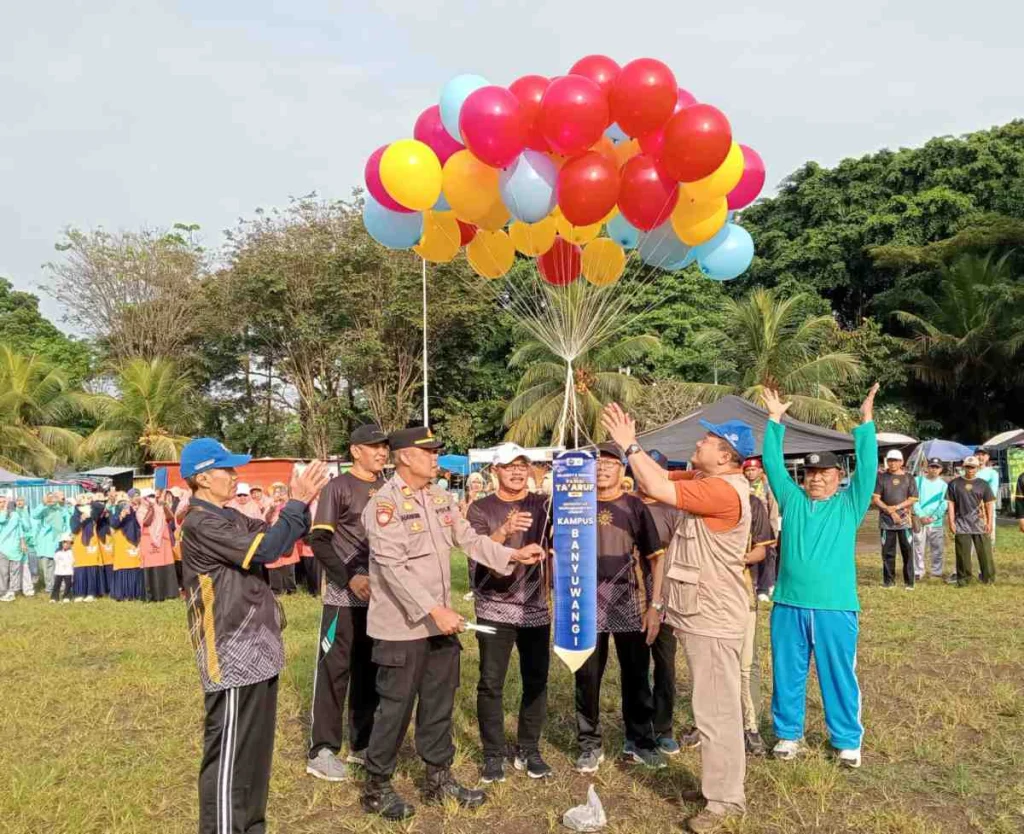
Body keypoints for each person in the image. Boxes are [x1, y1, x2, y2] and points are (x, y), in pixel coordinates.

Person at [359, 426, 544, 821]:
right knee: (395, 708)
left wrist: (512, 555)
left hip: (440, 624)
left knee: (439, 704)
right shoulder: (385, 504)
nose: (435, 457)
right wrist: (432, 609)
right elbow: (391, 567)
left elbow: (470, 541)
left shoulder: (440, 496)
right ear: (405, 456)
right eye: (428, 452)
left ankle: (437, 776)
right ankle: (377, 785)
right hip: (402, 627)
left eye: (436, 451)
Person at [603, 406, 754, 834]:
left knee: (717, 711)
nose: (700, 441)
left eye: (708, 440)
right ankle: (715, 786)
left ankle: (725, 801)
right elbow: (659, 480)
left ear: (725, 456)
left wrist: (628, 443)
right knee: (710, 705)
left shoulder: (723, 492)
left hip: (713, 614)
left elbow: (651, 481)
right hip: (699, 610)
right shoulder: (708, 481)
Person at [179, 437, 329, 834]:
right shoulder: (200, 522)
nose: (234, 476)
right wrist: (295, 501)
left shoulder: (228, 516)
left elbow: (279, 536)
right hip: (229, 650)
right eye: (227, 470)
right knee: (229, 755)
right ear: (203, 478)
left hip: (258, 646)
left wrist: (303, 501)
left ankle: (250, 826)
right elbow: (264, 550)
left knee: (255, 753)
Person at [760, 384, 879, 771]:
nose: (815, 479)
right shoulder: (792, 501)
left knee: (837, 673)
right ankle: (788, 735)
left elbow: (868, 470)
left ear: (836, 477)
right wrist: (775, 420)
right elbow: (773, 465)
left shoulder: (849, 505)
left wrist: (865, 423)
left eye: (823, 473)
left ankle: (846, 740)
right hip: (789, 604)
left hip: (835, 606)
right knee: (787, 672)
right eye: (810, 473)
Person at [571, 442, 666, 775]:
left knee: (637, 676)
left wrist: (655, 606)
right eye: (596, 463)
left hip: (630, 603)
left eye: (609, 463)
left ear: (622, 469)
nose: (601, 468)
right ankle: (589, 744)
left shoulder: (635, 507)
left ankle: (640, 740)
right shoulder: (573, 504)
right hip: (584, 604)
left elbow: (657, 558)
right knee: (587, 677)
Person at [306, 425, 390, 782]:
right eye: (375, 447)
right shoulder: (337, 487)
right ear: (356, 451)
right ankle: (322, 749)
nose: (382, 453)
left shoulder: (389, 487)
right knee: (334, 672)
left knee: (371, 670)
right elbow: (319, 541)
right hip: (344, 597)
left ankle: (362, 742)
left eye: (385, 447)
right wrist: (348, 578)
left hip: (382, 597)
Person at [465, 442, 553, 783]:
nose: (517, 471)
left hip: (535, 607)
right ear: (494, 471)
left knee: (537, 679)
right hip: (492, 607)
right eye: (509, 466)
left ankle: (529, 748)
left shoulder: (543, 504)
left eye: (522, 465)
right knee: (490, 682)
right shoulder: (480, 509)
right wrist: (505, 531)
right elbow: (476, 554)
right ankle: (493, 753)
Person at [633, 449, 682, 757]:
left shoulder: (674, 510)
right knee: (636, 666)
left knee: (665, 665)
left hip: (665, 598)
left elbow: (675, 559)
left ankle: (663, 727)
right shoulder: (627, 506)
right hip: (631, 597)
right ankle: (638, 727)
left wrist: (661, 600)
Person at [946, 455, 996, 585]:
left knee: (985, 552)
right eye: (968, 467)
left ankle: (988, 578)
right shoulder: (954, 483)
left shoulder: (983, 484)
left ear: (978, 468)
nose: (970, 470)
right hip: (961, 522)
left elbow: (989, 504)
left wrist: (990, 522)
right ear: (963, 467)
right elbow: (951, 503)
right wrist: (951, 521)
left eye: (973, 467)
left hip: (980, 522)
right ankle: (963, 579)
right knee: (963, 554)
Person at [872, 449, 918, 589]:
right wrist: (890, 511)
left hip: (905, 521)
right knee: (888, 553)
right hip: (886, 522)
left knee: (907, 552)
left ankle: (909, 582)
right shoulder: (881, 477)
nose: (892, 463)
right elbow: (875, 499)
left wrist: (896, 508)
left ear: (901, 462)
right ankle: (889, 581)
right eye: (890, 460)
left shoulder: (909, 478)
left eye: (895, 460)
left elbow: (913, 498)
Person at [741, 458, 779, 602]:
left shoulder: (766, 486)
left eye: (753, 470)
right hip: (749, 527)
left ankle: (768, 584)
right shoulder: (743, 486)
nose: (750, 473)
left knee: (768, 556)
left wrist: (774, 531)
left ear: (760, 470)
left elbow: (773, 509)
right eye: (748, 470)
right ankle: (755, 584)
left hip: (766, 526)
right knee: (752, 556)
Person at [140, 487, 179, 602]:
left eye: (153, 496)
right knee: (152, 566)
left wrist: (165, 506)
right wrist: (152, 508)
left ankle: (169, 593)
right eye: (149, 497)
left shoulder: (160, 508)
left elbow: (171, 518)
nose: (152, 499)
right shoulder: (141, 510)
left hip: (163, 541)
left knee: (165, 565)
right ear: (143, 499)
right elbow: (146, 522)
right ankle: (153, 595)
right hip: (149, 541)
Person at [912, 458, 948, 580]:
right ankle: (918, 571)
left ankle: (936, 572)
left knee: (937, 548)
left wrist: (934, 517)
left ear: (941, 470)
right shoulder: (918, 481)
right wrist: (921, 515)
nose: (933, 469)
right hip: (919, 521)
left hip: (936, 522)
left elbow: (944, 503)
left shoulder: (944, 485)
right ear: (927, 468)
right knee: (918, 547)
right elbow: (913, 500)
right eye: (931, 466)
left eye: (936, 467)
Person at [265, 483, 300, 595]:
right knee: (273, 566)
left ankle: (291, 589)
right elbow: (266, 519)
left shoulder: (290, 506)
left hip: (287, 538)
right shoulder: (270, 506)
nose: (279, 495)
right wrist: (272, 507)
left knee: (288, 566)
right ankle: (276, 590)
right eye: (276, 492)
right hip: (273, 538)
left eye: (281, 492)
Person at [32, 491, 70, 595]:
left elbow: (68, 524)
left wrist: (67, 538)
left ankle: (62, 587)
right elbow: (35, 515)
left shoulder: (63, 509)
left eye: (61, 496)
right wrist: (43, 504)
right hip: (46, 542)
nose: (57, 498)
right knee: (48, 566)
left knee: (62, 564)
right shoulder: (45, 508)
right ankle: (50, 587)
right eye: (56, 496)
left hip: (59, 541)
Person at [110, 491, 145, 601]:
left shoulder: (135, 511)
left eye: (125, 500)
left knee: (135, 565)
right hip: (121, 539)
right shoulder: (115, 512)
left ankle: (135, 593)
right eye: (120, 501)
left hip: (135, 540)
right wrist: (121, 516)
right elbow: (114, 524)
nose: (123, 504)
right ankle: (123, 593)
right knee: (123, 566)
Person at [71, 497, 108, 601]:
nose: (84, 500)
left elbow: (101, 507)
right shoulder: (74, 517)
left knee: (91, 569)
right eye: (82, 498)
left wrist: (91, 500)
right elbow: (74, 529)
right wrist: (81, 520)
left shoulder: (93, 516)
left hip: (92, 544)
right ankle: (79, 593)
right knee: (80, 570)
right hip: (80, 546)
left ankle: (91, 593)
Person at [0, 494, 30, 601]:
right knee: (3, 572)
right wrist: (4, 510)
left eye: (4, 502)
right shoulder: (2, 515)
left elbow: (20, 529)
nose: (3, 504)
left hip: (15, 548)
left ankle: (12, 592)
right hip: (2, 548)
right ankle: (3, 591)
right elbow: (2, 520)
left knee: (15, 571)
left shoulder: (15, 515)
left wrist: (22, 542)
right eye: (1, 502)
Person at [975, 447, 1000, 548]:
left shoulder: (992, 473)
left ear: (988, 457)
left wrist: (981, 508)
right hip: (969, 509)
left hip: (986, 509)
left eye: (983, 454)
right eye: (978, 454)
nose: (980, 457)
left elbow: (991, 493)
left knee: (987, 539)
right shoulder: (968, 472)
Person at [51, 533, 75, 603]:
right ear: (61, 543)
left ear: (71, 544)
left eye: (68, 543)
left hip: (68, 571)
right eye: (64, 542)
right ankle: (54, 597)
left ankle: (66, 596)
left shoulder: (71, 552)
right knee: (56, 584)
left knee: (68, 585)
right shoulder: (58, 552)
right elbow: (56, 560)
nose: (66, 544)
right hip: (59, 571)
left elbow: (73, 561)